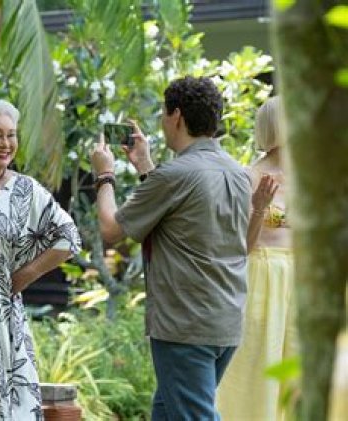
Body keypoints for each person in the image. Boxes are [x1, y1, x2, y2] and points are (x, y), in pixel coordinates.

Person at [90, 76, 251, 420]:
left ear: (176, 116)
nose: (162, 121)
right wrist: (145, 166)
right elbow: (182, 214)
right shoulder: (238, 172)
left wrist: (105, 175)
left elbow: (111, 230)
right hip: (225, 320)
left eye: (164, 113)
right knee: (166, 412)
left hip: (186, 324)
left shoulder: (176, 174)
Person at [0, 99, 81, 419]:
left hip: (1, 315)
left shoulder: (26, 189)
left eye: (11, 135)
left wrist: (26, 274)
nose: (6, 143)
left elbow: (69, 238)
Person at [216, 96, 297, 421]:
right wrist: (260, 209)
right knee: (257, 365)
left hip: (301, 280)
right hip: (262, 278)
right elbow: (241, 246)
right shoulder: (248, 176)